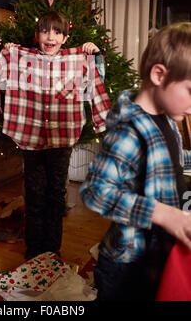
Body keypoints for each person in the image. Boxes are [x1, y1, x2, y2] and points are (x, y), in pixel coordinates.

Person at [0, 11, 110, 260]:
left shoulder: (79, 59)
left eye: (56, 32)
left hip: (61, 139)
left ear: (65, 37)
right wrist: (7, 53)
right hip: (29, 137)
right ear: (37, 35)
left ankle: (53, 251)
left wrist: (96, 55)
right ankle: (33, 251)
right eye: (45, 31)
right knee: (33, 194)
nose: (50, 36)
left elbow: (97, 84)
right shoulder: (20, 57)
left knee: (56, 195)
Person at [80, 22, 191, 301]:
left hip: (155, 253)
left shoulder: (166, 116)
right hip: (126, 264)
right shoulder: (128, 131)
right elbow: (95, 193)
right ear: (158, 75)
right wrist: (165, 214)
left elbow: (168, 161)